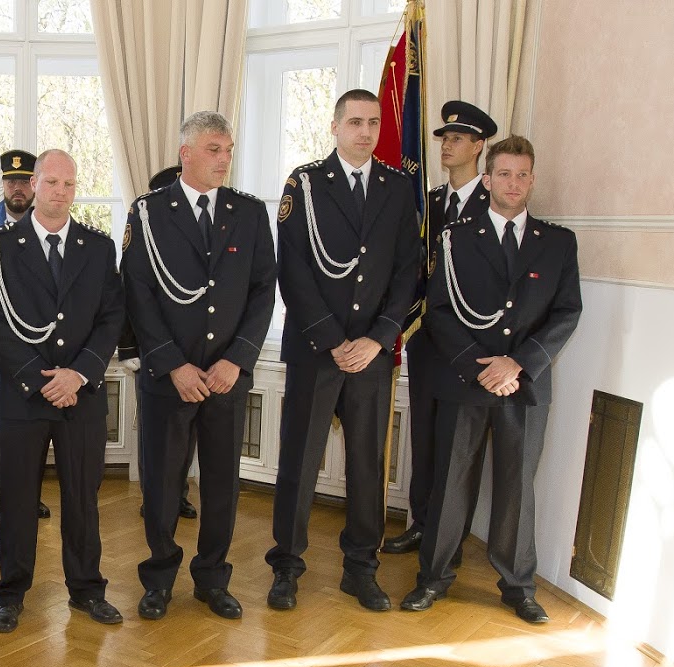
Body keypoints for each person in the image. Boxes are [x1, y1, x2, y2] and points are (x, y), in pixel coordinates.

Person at [400, 135, 582, 623]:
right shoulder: (456, 238)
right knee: (450, 484)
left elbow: (567, 312)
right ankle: (432, 577)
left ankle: (519, 586)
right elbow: (439, 312)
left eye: (522, 175)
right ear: (487, 179)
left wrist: (517, 364)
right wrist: (480, 368)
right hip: (467, 382)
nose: (513, 184)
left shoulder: (558, 243)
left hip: (524, 385)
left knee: (517, 488)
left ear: (532, 180)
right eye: (504, 174)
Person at [267, 89, 421, 612]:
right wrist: (334, 340)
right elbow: (292, 268)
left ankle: (361, 568)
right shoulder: (305, 183)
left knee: (366, 467)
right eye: (355, 122)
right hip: (317, 350)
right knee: (299, 461)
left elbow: (406, 271)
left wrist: (378, 338)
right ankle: (287, 566)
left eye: (373, 123)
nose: (365, 132)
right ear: (334, 127)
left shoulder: (397, 188)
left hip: (371, 355)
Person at [122, 110, 276, 621]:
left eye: (228, 149)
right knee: (162, 484)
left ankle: (213, 578)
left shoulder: (248, 213)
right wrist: (173, 365)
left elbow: (263, 290)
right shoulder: (148, 212)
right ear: (185, 153)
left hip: (226, 378)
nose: (224, 158)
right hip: (171, 380)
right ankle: (159, 578)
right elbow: (138, 292)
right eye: (214, 149)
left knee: (222, 483)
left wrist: (237, 359)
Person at [0, 149, 125, 633]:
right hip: (23, 396)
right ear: (34, 185)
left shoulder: (98, 248)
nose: (61, 192)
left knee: (83, 498)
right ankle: (10, 593)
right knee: (17, 500)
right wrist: (41, 380)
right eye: (52, 182)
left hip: (81, 395)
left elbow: (111, 318)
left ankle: (86, 589)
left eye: (69, 184)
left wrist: (77, 374)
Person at [382, 101, 496, 561]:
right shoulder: (429, 203)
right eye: (444, 138)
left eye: (457, 139)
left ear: (478, 146)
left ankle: (448, 540)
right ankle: (421, 524)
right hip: (428, 340)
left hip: (469, 345)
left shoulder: (493, 203)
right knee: (425, 440)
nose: (447, 146)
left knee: (458, 448)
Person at [120, 163, 198, 523]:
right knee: (154, 436)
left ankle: (178, 494)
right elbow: (129, 293)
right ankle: (153, 496)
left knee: (187, 433)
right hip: (152, 353)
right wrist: (130, 348)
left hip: (194, 355)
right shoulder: (145, 232)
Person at [0, 148, 50, 521]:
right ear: (1, 186)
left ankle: (30, 495)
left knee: (36, 431)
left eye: (25, 181)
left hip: (43, 351)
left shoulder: (48, 229)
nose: (18, 188)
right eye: (10, 181)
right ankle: (0, 493)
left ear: (35, 184)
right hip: (1, 351)